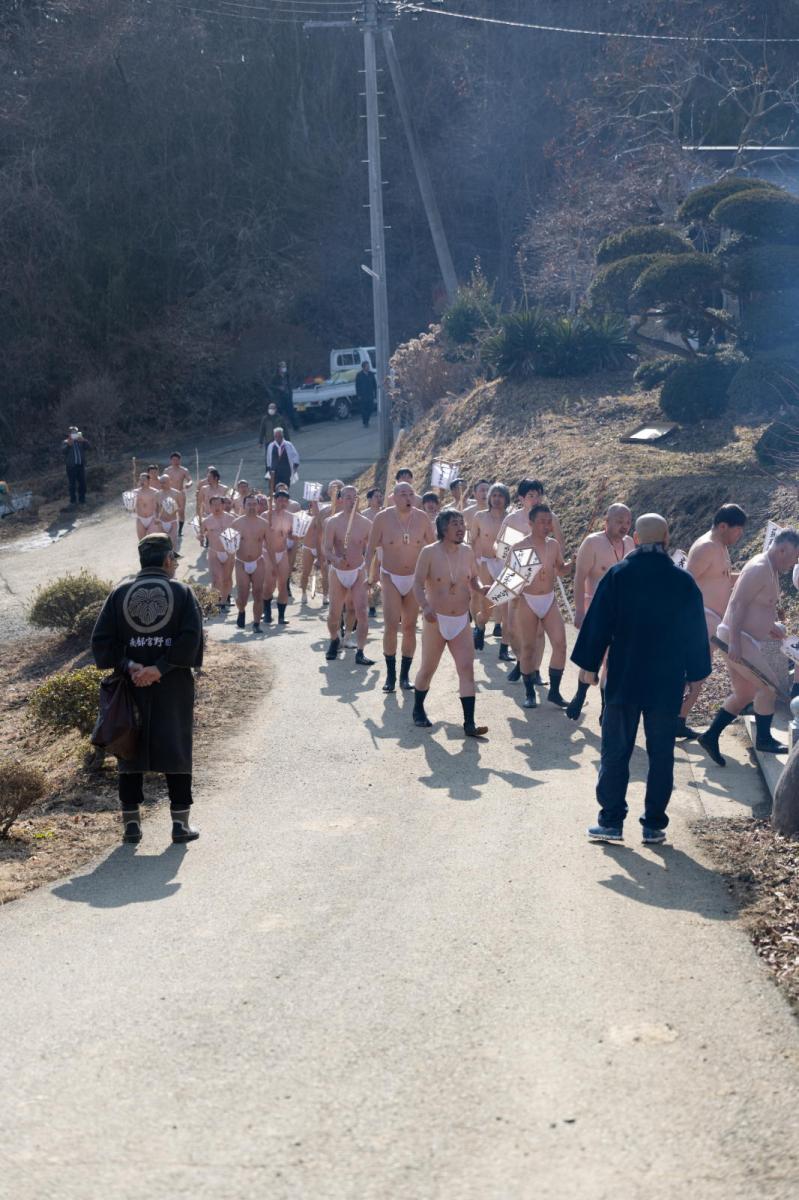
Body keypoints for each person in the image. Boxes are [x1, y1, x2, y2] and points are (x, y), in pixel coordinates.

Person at [572, 513, 711, 845]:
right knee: (661, 753)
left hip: (626, 675)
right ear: (666, 540)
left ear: (635, 539)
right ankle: (653, 825)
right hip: (666, 678)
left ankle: (610, 821)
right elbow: (695, 630)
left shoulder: (619, 575)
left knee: (616, 749)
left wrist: (589, 665)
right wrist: (696, 673)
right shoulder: (683, 581)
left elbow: (599, 622)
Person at [91, 532, 204, 845]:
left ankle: (131, 827)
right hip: (173, 686)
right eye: (174, 560)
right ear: (168, 559)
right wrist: (161, 668)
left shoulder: (120, 593)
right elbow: (190, 638)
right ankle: (180, 826)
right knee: (177, 749)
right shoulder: (181, 592)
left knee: (130, 750)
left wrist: (130, 666)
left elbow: (101, 642)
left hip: (130, 687)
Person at [699, 528, 799, 764]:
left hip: (743, 638)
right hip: (737, 638)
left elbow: (759, 606)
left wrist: (771, 627)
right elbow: (738, 604)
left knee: (744, 693)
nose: (795, 562)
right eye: (796, 556)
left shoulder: (770, 568)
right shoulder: (759, 568)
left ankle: (710, 736)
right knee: (767, 687)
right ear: (783, 549)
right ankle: (764, 739)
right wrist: (734, 642)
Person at [411, 508, 489, 737]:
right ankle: (418, 709)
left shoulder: (467, 552)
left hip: (461, 620)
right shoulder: (429, 552)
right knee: (428, 668)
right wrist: (425, 607)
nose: (461, 528)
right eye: (455, 524)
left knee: (466, 669)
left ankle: (469, 723)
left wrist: (481, 587)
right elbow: (416, 584)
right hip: (436, 619)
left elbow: (472, 578)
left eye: (462, 523)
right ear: (443, 529)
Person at [673, 504, 747, 739]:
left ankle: (679, 720)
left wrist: (749, 573)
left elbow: (722, 579)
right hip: (701, 619)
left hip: (712, 620)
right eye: (738, 530)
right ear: (723, 526)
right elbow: (685, 583)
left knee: (698, 675)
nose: (740, 535)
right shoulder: (706, 547)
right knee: (693, 674)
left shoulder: (720, 547)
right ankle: (672, 718)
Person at [565, 503, 634, 719]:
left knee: (613, 660)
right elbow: (579, 578)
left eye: (628, 522)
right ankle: (580, 694)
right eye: (619, 521)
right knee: (591, 659)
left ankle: (606, 709)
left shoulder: (630, 544)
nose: (624, 526)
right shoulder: (593, 542)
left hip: (622, 612)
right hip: (594, 607)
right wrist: (579, 611)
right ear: (607, 521)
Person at [366, 481, 433, 691]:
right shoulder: (382, 518)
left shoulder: (422, 518)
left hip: (414, 578)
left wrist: (432, 578)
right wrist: (368, 574)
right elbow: (370, 548)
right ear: (394, 497)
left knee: (410, 627)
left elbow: (433, 548)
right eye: (403, 494)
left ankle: (405, 675)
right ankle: (390, 675)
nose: (407, 498)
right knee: (391, 625)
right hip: (390, 577)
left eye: (411, 494)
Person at [512, 504, 570, 710]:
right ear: (531, 523)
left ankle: (554, 691)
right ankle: (529, 692)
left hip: (548, 599)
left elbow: (561, 569)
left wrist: (576, 562)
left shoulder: (552, 545)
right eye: (542, 521)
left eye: (549, 521)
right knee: (528, 647)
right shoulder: (520, 546)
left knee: (560, 644)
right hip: (528, 599)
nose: (546, 525)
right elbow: (514, 580)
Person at [323, 485, 374, 665]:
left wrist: (371, 571)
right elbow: (327, 549)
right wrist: (335, 559)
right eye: (348, 497)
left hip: (358, 571)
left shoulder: (366, 523)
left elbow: (373, 549)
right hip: (338, 572)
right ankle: (333, 639)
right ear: (341, 500)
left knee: (361, 611)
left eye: (355, 497)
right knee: (334, 613)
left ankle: (360, 651)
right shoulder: (333, 522)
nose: (352, 500)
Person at [471, 482, 514, 661]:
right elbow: (472, 542)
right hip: (484, 564)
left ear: (506, 498)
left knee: (506, 609)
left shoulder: (511, 518)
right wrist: (472, 564)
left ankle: (504, 648)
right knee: (487, 609)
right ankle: (480, 626)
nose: (497, 499)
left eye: (500, 496)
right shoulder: (480, 517)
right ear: (489, 498)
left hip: (504, 565)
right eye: (494, 495)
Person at [232, 494, 268, 632]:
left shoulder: (263, 523)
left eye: (254, 504)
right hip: (241, 562)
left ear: (258, 506)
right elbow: (229, 544)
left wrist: (275, 564)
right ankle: (241, 610)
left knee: (258, 593)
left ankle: (256, 623)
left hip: (258, 561)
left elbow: (269, 545)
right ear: (244, 505)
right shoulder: (236, 523)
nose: (252, 507)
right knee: (243, 595)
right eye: (249, 504)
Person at [262, 486, 293, 626]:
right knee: (269, 584)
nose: (282, 502)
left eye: (285, 500)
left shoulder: (290, 517)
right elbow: (261, 536)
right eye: (280, 499)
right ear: (274, 500)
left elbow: (293, 534)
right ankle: (267, 611)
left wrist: (296, 537)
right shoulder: (266, 516)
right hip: (268, 553)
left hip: (283, 552)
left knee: (283, 585)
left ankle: (281, 616)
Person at [202, 494, 235, 610]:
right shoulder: (206, 521)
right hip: (214, 552)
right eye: (213, 504)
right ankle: (217, 600)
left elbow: (240, 535)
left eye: (219, 504)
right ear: (210, 506)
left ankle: (225, 600)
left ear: (223, 505)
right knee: (217, 578)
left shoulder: (232, 518)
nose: (216, 507)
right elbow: (200, 535)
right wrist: (201, 537)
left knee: (227, 578)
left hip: (229, 552)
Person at [163, 452, 193, 537]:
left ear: (180, 460)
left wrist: (188, 484)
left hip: (180, 493)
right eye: (173, 460)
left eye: (177, 460)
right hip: (169, 493)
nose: (175, 461)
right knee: (169, 512)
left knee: (181, 512)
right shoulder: (167, 470)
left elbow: (190, 480)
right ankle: (170, 529)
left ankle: (179, 531)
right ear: (171, 460)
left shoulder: (184, 470)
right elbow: (162, 481)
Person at [62, 426, 90, 505]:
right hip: (71, 466)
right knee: (72, 484)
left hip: (80, 465)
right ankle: (73, 500)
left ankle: (82, 499)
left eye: (75, 432)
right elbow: (63, 451)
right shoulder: (65, 441)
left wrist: (84, 440)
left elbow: (89, 447)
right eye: (72, 432)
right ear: (69, 434)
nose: (74, 434)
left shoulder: (80, 441)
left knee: (82, 483)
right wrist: (69, 444)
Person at [266, 427, 300, 493]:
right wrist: (269, 469)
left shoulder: (288, 444)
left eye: (280, 436)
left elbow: (295, 456)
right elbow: (268, 458)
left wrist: (295, 466)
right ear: (274, 436)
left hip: (286, 471)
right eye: (276, 436)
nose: (278, 438)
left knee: (285, 487)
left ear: (282, 436)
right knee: (274, 488)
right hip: (275, 471)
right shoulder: (271, 445)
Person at [133, 471, 161, 541]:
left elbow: (159, 507)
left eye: (144, 480)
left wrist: (157, 517)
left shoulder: (155, 492)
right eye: (140, 480)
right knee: (142, 541)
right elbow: (131, 506)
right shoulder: (135, 492)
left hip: (152, 518)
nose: (142, 482)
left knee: (152, 540)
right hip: (140, 518)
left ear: (149, 480)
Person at [156, 474, 182, 549]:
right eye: (160, 482)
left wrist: (172, 510)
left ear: (169, 482)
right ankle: (164, 560)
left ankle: (173, 558)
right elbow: (156, 508)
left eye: (164, 482)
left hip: (172, 521)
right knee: (162, 543)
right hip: (161, 522)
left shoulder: (176, 493)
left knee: (172, 542)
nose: (162, 484)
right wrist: (156, 518)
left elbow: (181, 507)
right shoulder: (157, 494)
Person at [272, 361, 297, 433]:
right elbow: (271, 386)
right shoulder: (275, 377)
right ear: (279, 368)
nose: (284, 368)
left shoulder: (287, 375)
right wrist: (278, 387)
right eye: (282, 366)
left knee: (291, 412)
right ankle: (279, 429)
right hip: (280, 397)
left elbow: (289, 385)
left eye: (285, 366)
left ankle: (296, 427)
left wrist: (290, 393)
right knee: (280, 414)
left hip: (288, 396)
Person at [356, 360, 377, 428]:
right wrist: (358, 395)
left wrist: (375, 393)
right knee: (363, 409)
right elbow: (357, 385)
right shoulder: (359, 375)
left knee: (370, 408)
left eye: (368, 366)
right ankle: (365, 422)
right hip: (362, 395)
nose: (368, 367)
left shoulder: (371, 374)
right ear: (363, 367)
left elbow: (374, 384)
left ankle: (367, 420)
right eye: (367, 366)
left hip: (370, 395)